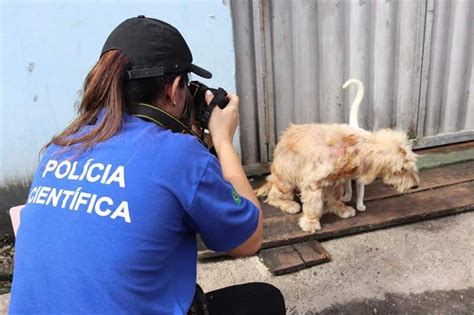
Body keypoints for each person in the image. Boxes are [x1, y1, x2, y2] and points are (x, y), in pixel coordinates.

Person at [9, 16, 285, 314]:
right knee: (263, 300)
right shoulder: (179, 155)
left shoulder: (62, 146)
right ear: (175, 87)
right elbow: (247, 240)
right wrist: (223, 141)